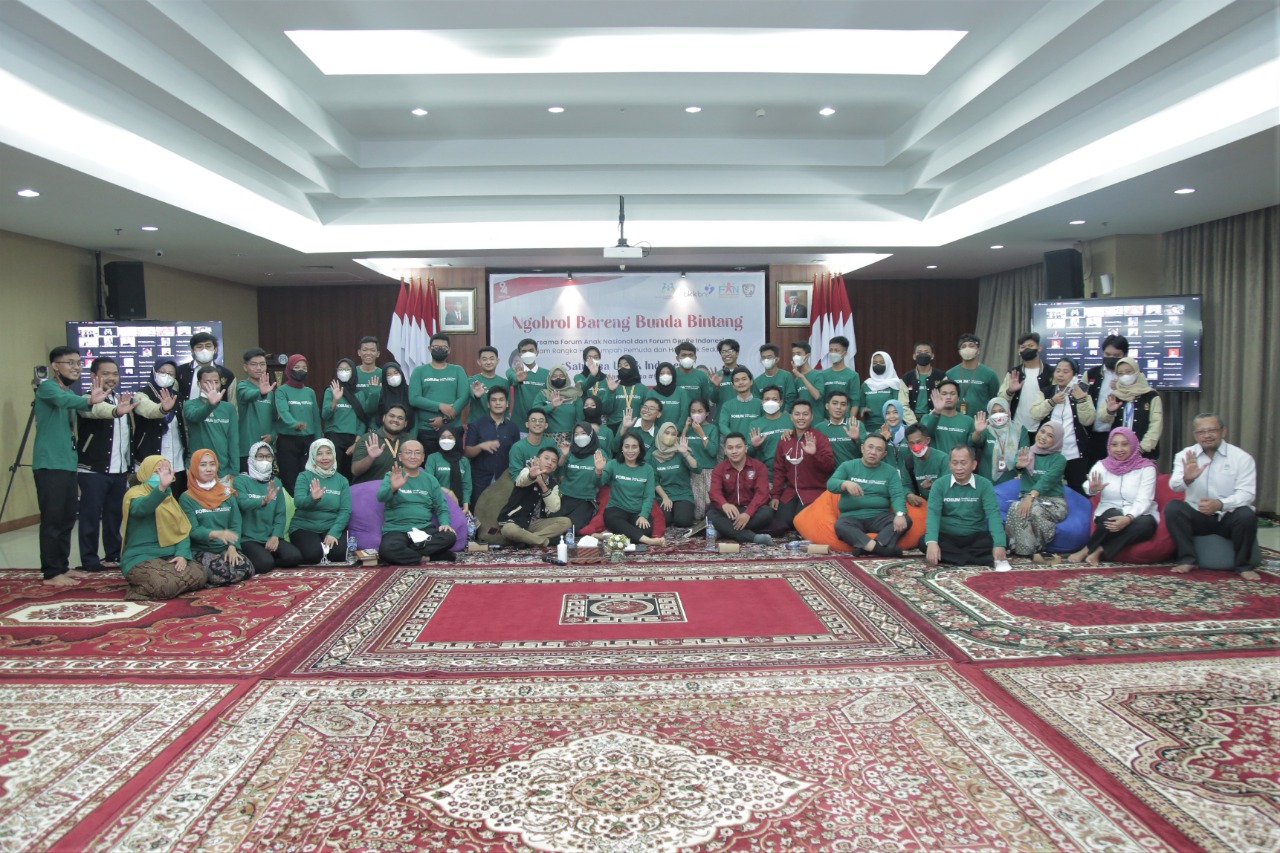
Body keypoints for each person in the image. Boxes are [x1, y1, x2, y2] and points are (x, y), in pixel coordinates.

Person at [34, 346, 110, 585]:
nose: (77, 367)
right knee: (53, 519)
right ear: (55, 366)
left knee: (67, 518)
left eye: (79, 363)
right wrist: (89, 400)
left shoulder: (67, 390)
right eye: (70, 363)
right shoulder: (48, 387)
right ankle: (51, 572)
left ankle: (62, 566)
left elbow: (70, 400)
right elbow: (64, 401)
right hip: (50, 463)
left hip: (67, 463)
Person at [1167, 413, 1259, 578]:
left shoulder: (1242, 458)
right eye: (1201, 432)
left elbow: (1247, 494)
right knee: (1173, 508)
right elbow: (1174, 486)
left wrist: (1220, 504)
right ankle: (1187, 559)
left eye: (1212, 430)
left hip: (1228, 515)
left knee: (1246, 514)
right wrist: (1187, 478)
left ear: (1223, 431)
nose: (1207, 435)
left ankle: (1243, 566)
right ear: (1195, 435)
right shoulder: (1185, 455)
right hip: (1198, 516)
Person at [75, 357, 138, 572]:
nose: (112, 378)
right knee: (90, 516)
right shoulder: (86, 399)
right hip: (92, 470)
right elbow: (94, 411)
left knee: (114, 515)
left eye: (115, 374)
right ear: (94, 376)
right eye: (106, 373)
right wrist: (115, 411)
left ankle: (113, 555)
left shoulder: (121, 399)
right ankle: (89, 560)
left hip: (119, 471)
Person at [119, 455, 205, 600]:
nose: (162, 474)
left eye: (166, 471)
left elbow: (182, 531)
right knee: (164, 584)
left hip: (169, 556)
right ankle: (138, 590)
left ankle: (162, 583)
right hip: (140, 557)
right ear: (145, 471)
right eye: (157, 471)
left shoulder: (169, 498)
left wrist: (181, 555)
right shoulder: (134, 494)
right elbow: (141, 509)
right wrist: (161, 488)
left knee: (200, 573)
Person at [1070, 427, 1158, 565]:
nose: (1119, 449)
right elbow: (1088, 485)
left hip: (1139, 513)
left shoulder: (1147, 468)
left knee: (1146, 525)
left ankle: (1098, 550)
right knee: (1112, 517)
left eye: (1125, 444)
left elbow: (1145, 499)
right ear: (1109, 446)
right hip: (1110, 510)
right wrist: (1092, 489)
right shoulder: (1102, 465)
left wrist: (1128, 518)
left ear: (1133, 445)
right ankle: (1088, 550)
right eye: (1114, 445)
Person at [924, 446, 1011, 569]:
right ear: (949, 465)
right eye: (955, 463)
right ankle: (977, 560)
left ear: (973, 465)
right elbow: (933, 514)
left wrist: (999, 544)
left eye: (963, 463)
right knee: (924, 542)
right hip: (948, 536)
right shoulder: (939, 484)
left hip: (975, 536)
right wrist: (932, 542)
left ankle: (956, 558)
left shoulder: (984, 484)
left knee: (1003, 540)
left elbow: (993, 514)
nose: (959, 468)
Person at [178, 449, 254, 585]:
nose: (209, 469)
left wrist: (232, 547)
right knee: (221, 572)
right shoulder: (187, 498)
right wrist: (215, 533)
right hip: (201, 549)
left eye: (212, 464)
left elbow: (235, 523)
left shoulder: (226, 493)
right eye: (203, 465)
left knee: (247, 568)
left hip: (225, 548)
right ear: (194, 467)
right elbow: (192, 530)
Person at [827, 433, 910, 556]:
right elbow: (831, 484)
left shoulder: (890, 472)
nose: (873, 452)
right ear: (862, 448)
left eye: (879, 449)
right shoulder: (848, 466)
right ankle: (880, 549)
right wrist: (845, 484)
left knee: (906, 520)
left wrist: (900, 514)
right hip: (852, 517)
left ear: (884, 454)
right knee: (840, 526)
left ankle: (866, 548)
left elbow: (897, 495)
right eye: (870, 447)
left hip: (879, 516)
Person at [376, 440, 458, 564]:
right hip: (397, 529)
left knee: (450, 536)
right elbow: (381, 497)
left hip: (423, 529)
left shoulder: (430, 480)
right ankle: (429, 557)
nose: (413, 456)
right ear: (400, 456)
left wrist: (445, 523)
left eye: (417, 453)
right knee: (386, 550)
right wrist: (393, 488)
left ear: (423, 457)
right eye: (408, 452)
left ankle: (406, 553)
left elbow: (441, 506)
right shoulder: (392, 476)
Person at [233, 441, 303, 573]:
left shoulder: (275, 482)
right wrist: (263, 501)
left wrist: (275, 536)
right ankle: (260, 557)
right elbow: (242, 503)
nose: (264, 460)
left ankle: (266, 557)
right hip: (249, 538)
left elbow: (280, 514)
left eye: (268, 456)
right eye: (260, 456)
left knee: (294, 557)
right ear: (252, 458)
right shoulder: (241, 480)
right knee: (265, 564)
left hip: (270, 536)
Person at [1029, 357, 1095, 493]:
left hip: (1074, 452)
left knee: (1078, 491)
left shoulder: (1083, 393)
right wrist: (1051, 402)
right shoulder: (1046, 391)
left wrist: (1081, 400)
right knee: (1047, 488)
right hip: (1048, 453)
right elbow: (1035, 414)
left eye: (1065, 372)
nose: (1060, 375)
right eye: (1058, 371)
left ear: (1074, 375)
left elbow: (1087, 421)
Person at [1004, 422, 1069, 559]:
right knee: (1015, 507)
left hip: (1053, 503)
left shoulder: (1060, 459)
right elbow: (1015, 468)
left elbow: (1047, 480)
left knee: (1033, 510)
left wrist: (1030, 497)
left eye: (1050, 436)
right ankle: (1019, 549)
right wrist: (1019, 465)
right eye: (1042, 432)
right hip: (1030, 499)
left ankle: (1033, 550)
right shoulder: (1027, 453)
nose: (1043, 437)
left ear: (1057, 440)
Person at [769, 399, 835, 534]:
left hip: (813, 492)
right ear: (791, 417)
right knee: (780, 525)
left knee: (801, 522)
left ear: (811, 417)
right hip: (790, 492)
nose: (801, 418)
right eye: (797, 414)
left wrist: (814, 454)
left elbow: (829, 466)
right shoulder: (785, 438)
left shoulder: (820, 438)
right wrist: (776, 495)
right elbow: (779, 470)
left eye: (805, 414)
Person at [289, 438, 353, 564]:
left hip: (330, 526)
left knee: (340, 553)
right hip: (305, 526)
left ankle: (325, 548)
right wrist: (312, 498)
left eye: (328, 453)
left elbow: (345, 510)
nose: (325, 457)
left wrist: (334, 533)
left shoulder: (342, 480)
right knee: (312, 555)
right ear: (313, 456)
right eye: (319, 454)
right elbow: (298, 502)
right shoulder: (304, 476)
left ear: (334, 455)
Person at [496, 446, 572, 547]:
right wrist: (531, 476)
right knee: (509, 530)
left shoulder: (553, 484)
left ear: (554, 467)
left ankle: (527, 540)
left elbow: (554, 508)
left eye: (554, 461)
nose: (550, 462)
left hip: (537, 523)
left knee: (566, 522)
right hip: (516, 520)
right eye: (546, 458)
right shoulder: (527, 471)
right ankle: (545, 542)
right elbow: (521, 481)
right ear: (537, 460)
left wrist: (542, 485)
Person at [708, 432, 775, 545]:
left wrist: (747, 513)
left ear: (746, 448)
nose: (734, 451)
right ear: (725, 451)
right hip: (729, 512)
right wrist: (725, 504)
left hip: (752, 510)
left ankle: (724, 530)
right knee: (711, 515)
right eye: (730, 448)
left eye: (738, 447)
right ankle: (754, 538)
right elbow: (714, 492)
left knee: (767, 513)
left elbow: (762, 493)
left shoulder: (759, 466)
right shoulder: (719, 469)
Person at [599, 433, 665, 546]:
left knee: (646, 531)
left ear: (640, 449)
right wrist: (598, 471)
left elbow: (649, 496)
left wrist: (643, 515)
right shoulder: (613, 464)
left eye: (634, 447)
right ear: (622, 448)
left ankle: (606, 536)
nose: (630, 450)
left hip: (637, 511)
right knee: (613, 520)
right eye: (627, 446)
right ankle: (648, 541)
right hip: (616, 509)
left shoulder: (647, 469)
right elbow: (599, 483)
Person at [408, 333, 469, 455]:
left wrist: (445, 420)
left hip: (452, 428)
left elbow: (463, 398)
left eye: (443, 347)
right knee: (427, 465)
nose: (440, 349)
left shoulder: (457, 370)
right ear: (429, 348)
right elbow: (414, 398)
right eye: (436, 347)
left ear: (449, 350)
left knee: (453, 464)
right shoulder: (419, 371)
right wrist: (440, 406)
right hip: (426, 430)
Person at [131, 359, 184, 493]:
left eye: (171, 374)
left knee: (174, 500)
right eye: (162, 372)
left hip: (176, 461)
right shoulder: (141, 394)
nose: (166, 376)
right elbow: (148, 410)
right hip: (149, 460)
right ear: (154, 372)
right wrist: (163, 409)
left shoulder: (178, 397)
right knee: (151, 499)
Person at [1096, 356, 1163, 460]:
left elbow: (1156, 426)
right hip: (1119, 454)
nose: (1125, 376)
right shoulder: (1114, 395)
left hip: (1143, 455)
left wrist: (1141, 449)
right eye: (1121, 373)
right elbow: (1104, 419)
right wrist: (1110, 411)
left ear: (1136, 372)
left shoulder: (1151, 396)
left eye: (1128, 372)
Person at [464, 386, 520, 505]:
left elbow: (516, 456)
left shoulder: (513, 427)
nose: (498, 403)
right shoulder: (476, 425)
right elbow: (467, 452)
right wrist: (481, 446)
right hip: (480, 480)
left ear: (507, 404)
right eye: (494, 400)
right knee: (478, 511)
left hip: (504, 480)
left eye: (501, 400)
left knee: (500, 512)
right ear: (488, 404)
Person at [274, 354, 320, 494]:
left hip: (308, 441)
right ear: (289, 369)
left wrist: (319, 441)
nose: (301, 370)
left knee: (307, 479)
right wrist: (294, 423)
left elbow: (315, 418)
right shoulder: (282, 390)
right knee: (290, 480)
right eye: (297, 367)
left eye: (304, 368)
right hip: (288, 441)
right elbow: (283, 410)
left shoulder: (310, 392)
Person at [322, 357, 374, 482]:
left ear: (353, 372)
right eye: (340, 369)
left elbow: (362, 419)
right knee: (333, 473)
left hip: (352, 439)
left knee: (351, 476)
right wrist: (335, 400)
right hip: (334, 437)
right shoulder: (330, 390)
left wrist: (356, 443)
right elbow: (325, 415)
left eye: (347, 369)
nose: (343, 372)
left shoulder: (359, 394)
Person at [183, 365, 239, 478]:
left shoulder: (229, 408)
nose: (212, 386)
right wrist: (211, 405)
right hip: (197, 469)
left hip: (223, 470)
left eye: (216, 382)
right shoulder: (189, 404)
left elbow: (233, 440)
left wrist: (234, 470)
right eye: (207, 382)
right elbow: (196, 416)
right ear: (199, 384)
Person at [1085, 335, 1129, 464]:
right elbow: (1081, 400)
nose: (1111, 358)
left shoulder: (1131, 376)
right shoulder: (1091, 374)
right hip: (1094, 433)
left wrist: (1123, 386)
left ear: (1125, 355)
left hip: (1121, 436)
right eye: (1107, 354)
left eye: (1116, 355)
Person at [556, 421, 608, 531]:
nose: (580, 437)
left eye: (583, 433)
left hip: (586, 500)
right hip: (565, 497)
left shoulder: (599, 454)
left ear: (591, 434)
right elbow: (557, 473)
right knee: (554, 525)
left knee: (571, 528)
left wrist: (598, 471)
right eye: (576, 434)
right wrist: (563, 456)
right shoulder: (569, 451)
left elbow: (600, 483)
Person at [998, 332, 1053, 435]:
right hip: (1017, 428)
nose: (1027, 349)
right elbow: (1000, 400)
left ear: (1039, 348)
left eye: (1030, 346)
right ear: (1019, 352)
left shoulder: (1051, 372)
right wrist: (1010, 391)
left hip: (1044, 430)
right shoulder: (1013, 373)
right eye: (1023, 347)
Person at [235, 349, 276, 474]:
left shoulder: (271, 392)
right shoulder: (242, 386)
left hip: (267, 450)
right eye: (254, 364)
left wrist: (273, 436)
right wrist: (260, 392)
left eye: (262, 364)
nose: (259, 368)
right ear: (245, 367)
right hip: (247, 450)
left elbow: (275, 419)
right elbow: (246, 395)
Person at [651, 422, 699, 528]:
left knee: (683, 521)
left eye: (673, 434)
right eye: (667, 433)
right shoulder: (654, 456)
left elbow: (697, 469)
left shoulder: (681, 451)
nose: (670, 436)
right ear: (660, 434)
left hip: (683, 494)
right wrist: (665, 497)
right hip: (664, 495)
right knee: (665, 521)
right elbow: (655, 481)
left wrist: (685, 453)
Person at [973, 397, 1027, 486]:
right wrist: (978, 432)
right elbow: (974, 442)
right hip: (986, 479)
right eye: (994, 412)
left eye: (1002, 411)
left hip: (1010, 480)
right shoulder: (987, 429)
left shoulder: (1019, 430)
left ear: (1008, 411)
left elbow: (1024, 452)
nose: (998, 415)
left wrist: (1018, 465)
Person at [351, 404, 410, 485]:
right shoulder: (368, 438)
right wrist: (370, 458)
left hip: (400, 489)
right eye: (392, 416)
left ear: (405, 423)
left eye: (400, 418)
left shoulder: (410, 441)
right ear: (384, 418)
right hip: (370, 489)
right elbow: (355, 471)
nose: (395, 420)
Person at [946, 333, 1001, 416]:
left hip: (981, 420)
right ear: (959, 352)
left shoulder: (990, 374)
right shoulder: (950, 374)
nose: (967, 349)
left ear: (978, 350)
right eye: (963, 346)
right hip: (956, 419)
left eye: (971, 346)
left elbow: (994, 399)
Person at [682, 397, 719, 519]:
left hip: (708, 472)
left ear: (707, 413)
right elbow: (681, 447)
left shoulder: (712, 428)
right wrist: (685, 429)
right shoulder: (688, 429)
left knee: (710, 508)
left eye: (700, 411)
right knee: (697, 513)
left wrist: (701, 433)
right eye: (693, 411)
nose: (696, 414)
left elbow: (713, 452)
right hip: (692, 473)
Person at [920, 378, 976, 456]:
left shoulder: (968, 421)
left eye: (952, 393)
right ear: (938, 396)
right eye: (944, 394)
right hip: (935, 462)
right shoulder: (927, 418)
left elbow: (973, 445)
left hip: (959, 462)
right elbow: (925, 435)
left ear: (958, 397)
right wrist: (937, 412)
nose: (948, 397)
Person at [747, 385, 793, 478]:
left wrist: (794, 434)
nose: (770, 402)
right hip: (767, 475)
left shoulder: (792, 419)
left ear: (781, 402)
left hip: (792, 472)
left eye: (774, 399)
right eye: (767, 399)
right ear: (762, 402)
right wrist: (754, 446)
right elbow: (748, 453)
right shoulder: (755, 424)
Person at [175, 331, 234, 402]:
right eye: (199, 347)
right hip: (188, 409)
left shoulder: (226, 374)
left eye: (208, 346)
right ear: (192, 351)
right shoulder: (180, 371)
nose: (204, 350)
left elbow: (232, 403)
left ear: (215, 350)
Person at [426, 425, 472, 514]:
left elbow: (467, 485)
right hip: (437, 504)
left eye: (450, 438)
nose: (446, 440)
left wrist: (466, 505)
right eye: (442, 437)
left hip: (458, 506)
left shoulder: (464, 461)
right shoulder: (433, 458)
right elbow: (429, 482)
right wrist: (448, 492)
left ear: (456, 439)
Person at [861, 351, 911, 431]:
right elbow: (861, 404)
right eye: (875, 363)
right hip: (870, 426)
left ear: (888, 364)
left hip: (891, 426)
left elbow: (898, 406)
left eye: (882, 362)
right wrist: (862, 409)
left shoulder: (895, 383)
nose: (878, 365)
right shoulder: (866, 384)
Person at [900, 423, 947, 507]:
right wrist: (908, 494)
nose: (916, 447)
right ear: (907, 444)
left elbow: (949, 487)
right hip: (921, 504)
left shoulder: (943, 459)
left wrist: (933, 487)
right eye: (911, 443)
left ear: (927, 440)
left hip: (942, 504)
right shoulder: (909, 461)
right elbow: (905, 486)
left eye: (918, 442)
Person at [813, 336, 862, 415]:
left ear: (845, 353)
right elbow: (819, 398)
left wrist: (850, 420)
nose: (833, 353)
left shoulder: (853, 375)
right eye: (831, 350)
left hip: (844, 418)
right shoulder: (822, 374)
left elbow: (855, 402)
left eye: (836, 350)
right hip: (825, 419)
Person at [507, 338, 549, 426]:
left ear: (537, 352)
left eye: (531, 350)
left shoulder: (547, 374)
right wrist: (517, 378)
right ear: (519, 354)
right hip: (519, 425)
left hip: (540, 425)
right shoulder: (513, 371)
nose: (528, 353)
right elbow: (511, 376)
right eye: (524, 351)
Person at [814, 390, 862, 465]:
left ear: (847, 408)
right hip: (829, 472)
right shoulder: (819, 428)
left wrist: (857, 440)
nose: (838, 407)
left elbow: (867, 452)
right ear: (827, 406)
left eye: (843, 404)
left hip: (852, 471)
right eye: (835, 403)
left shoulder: (856, 425)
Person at [902, 340, 946, 419]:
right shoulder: (906, 378)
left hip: (934, 417)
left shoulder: (941, 377)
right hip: (911, 420)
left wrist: (930, 419)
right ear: (914, 356)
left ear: (932, 356)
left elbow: (944, 400)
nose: (923, 355)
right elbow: (903, 405)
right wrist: (913, 422)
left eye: (926, 352)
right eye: (919, 352)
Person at [538, 364, 581, 442]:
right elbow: (535, 412)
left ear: (566, 377)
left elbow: (579, 419)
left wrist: (574, 438)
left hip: (570, 438)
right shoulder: (544, 394)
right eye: (554, 376)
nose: (558, 378)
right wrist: (551, 406)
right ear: (549, 378)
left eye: (561, 376)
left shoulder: (574, 394)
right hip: (547, 439)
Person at [605, 353, 649, 429]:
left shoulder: (643, 389)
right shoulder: (613, 385)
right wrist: (611, 391)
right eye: (619, 366)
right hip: (614, 426)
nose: (622, 368)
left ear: (633, 367)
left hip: (635, 426)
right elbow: (606, 410)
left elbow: (646, 412)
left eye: (626, 365)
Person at [508, 408, 554, 478]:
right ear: (527, 424)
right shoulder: (518, 447)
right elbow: (515, 476)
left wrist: (564, 455)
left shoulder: (550, 442)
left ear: (546, 425)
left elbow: (558, 465)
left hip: (547, 482)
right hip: (526, 483)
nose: (537, 423)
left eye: (541, 421)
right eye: (533, 420)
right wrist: (531, 476)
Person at [467, 346, 508, 423]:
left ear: (497, 361)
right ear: (479, 362)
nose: (488, 362)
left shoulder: (505, 382)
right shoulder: (472, 380)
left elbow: (506, 407)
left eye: (492, 359)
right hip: (476, 424)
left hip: (498, 425)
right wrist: (476, 396)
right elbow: (468, 397)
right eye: (484, 359)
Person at [717, 366, 760, 436]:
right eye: (737, 380)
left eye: (744, 379)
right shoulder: (727, 405)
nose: (741, 382)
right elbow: (722, 425)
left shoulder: (760, 404)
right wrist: (734, 439)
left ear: (751, 382)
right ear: (733, 385)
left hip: (756, 442)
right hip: (734, 442)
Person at [375, 361, 415, 434]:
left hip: (407, 434)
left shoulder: (410, 391)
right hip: (384, 434)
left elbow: (415, 416)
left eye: (396, 373)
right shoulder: (381, 393)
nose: (393, 377)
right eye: (388, 375)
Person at [753, 344, 796, 409]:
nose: (766, 360)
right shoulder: (757, 381)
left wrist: (786, 412)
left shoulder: (786, 376)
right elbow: (757, 402)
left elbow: (791, 397)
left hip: (783, 414)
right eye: (763, 357)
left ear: (777, 359)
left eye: (769, 357)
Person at [674, 342, 714, 406]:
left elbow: (705, 399)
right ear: (677, 358)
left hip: (696, 411)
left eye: (690, 355)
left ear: (695, 358)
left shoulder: (702, 375)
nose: (687, 358)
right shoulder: (672, 374)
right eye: (684, 355)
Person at [650, 362, 689, 426]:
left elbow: (684, 414)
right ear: (657, 376)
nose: (665, 376)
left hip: (676, 431)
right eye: (662, 373)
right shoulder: (651, 393)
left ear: (673, 375)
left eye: (668, 373)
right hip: (656, 431)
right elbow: (649, 414)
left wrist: (677, 430)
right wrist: (656, 430)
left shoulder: (681, 392)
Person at [790, 341, 824, 408]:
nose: (795, 357)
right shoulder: (797, 379)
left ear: (807, 355)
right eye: (793, 354)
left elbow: (817, 396)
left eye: (798, 354)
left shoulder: (818, 374)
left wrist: (802, 377)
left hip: (816, 414)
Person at [712, 338, 743, 407]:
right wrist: (716, 387)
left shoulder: (745, 374)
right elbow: (712, 400)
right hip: (722, 413)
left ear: (737, 353)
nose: (726, 354)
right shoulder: (717, 376)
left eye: (730, 351)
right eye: (723, 352)